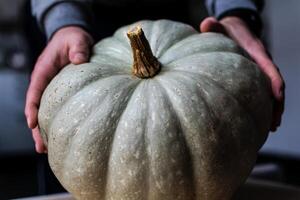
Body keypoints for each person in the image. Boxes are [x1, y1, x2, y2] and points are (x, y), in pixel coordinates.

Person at [26, 0, 284, 154]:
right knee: (72, 130)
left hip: (182, 26)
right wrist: (62, 20)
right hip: (82, 31)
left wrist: (236, 12)